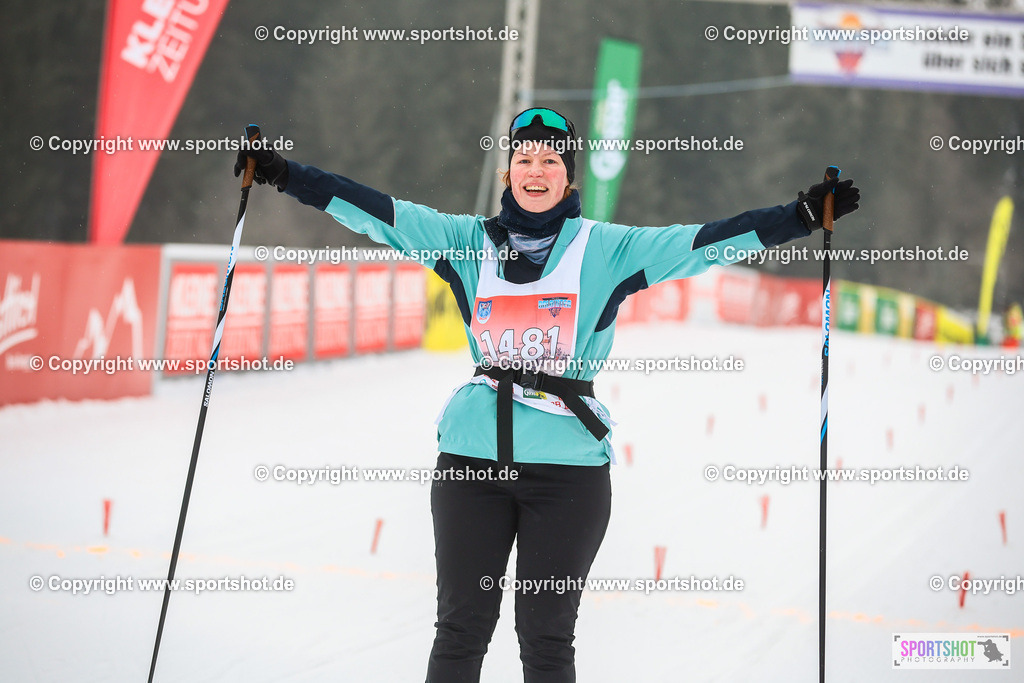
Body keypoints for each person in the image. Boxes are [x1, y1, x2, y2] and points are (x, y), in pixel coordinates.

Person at [235, 108, 860, 683]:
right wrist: (285, 174)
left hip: (566, 474)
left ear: (567, 176)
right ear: (508, 170)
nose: (536, 171)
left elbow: (703, 242)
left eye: (551, 160)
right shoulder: (463, 242)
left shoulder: (607, 250)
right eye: (525, 159)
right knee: (458, 632)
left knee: (545, 638)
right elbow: (374, 210)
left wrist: (800, 216)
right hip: (470, 462)